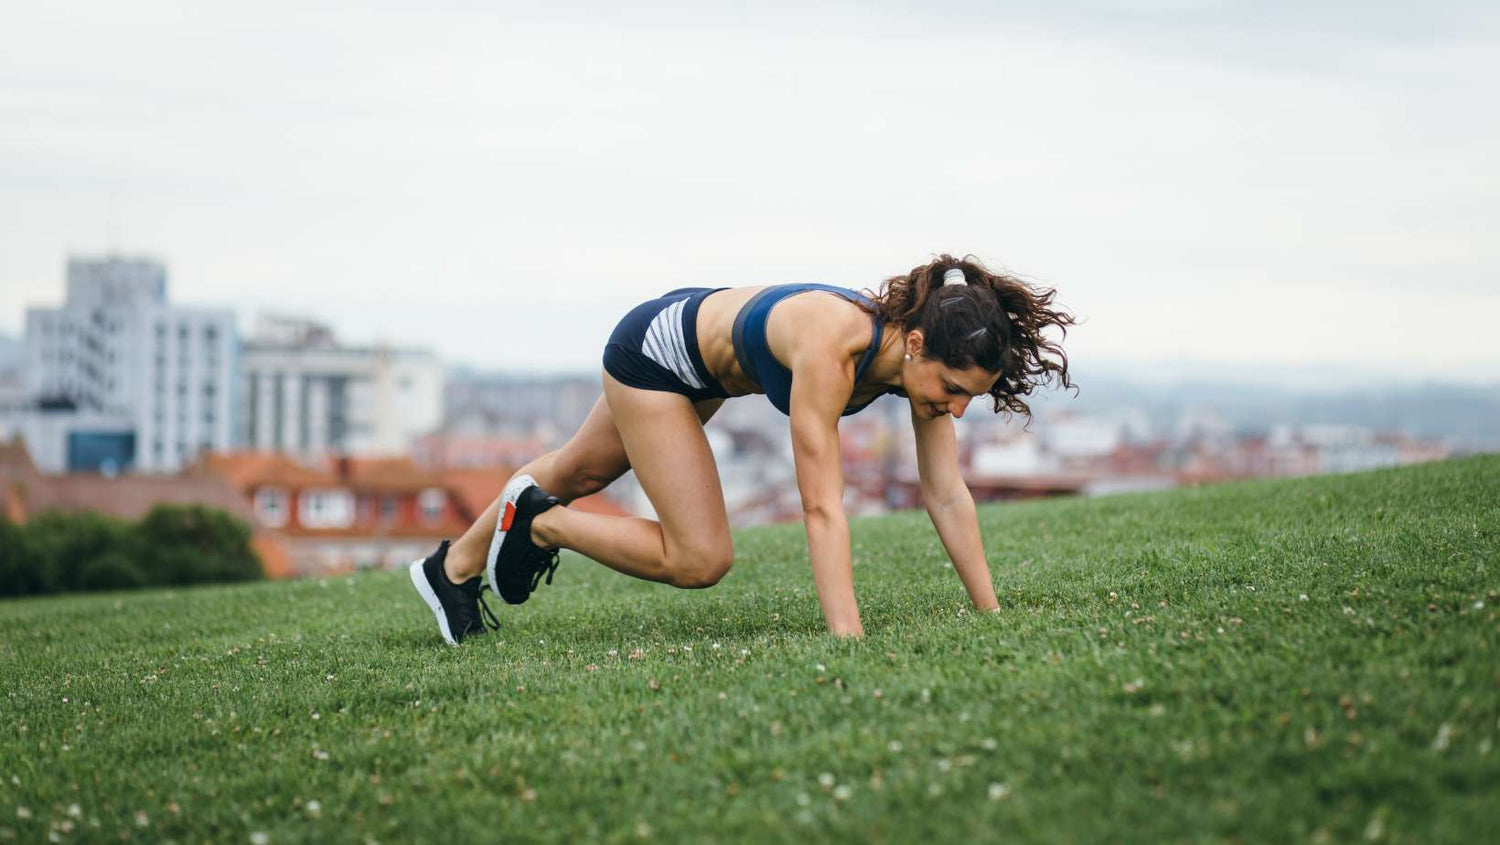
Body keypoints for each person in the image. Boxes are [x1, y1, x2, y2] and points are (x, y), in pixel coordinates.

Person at [409, 254, 1076, 644]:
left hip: (694, 355)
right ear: (920, 344)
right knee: (700, 556)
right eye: (955, 389)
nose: (956, 408)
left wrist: (991, 616)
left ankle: (452, 570)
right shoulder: (835, 347)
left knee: (574, 468)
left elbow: (946, 491)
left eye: (971, 398)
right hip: (657, 353)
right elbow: (822, 506)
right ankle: (542, 522)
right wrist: (850, 640)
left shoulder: (920, 365)